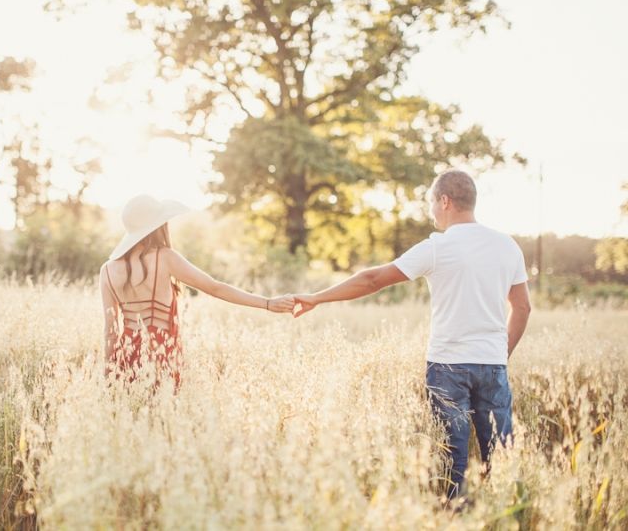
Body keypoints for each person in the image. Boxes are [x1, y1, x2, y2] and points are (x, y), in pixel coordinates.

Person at [292, 170, 532, 501]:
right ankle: (507, 517)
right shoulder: (507, 246)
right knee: (503, 458)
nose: (432, 210)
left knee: (453, 464)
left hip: (448, 368)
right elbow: (522, 308)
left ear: (445, 201)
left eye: (433, 202)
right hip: (493, 365)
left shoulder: (439, 247)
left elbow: (373, 279)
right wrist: (499, 354)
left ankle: (455, 519)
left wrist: (317, 297)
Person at [100, 194, 295, 388]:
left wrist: (109, 376)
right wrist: (268, 303)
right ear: (157, 226)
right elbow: (215, 288)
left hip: (125, 360)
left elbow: (111, 332)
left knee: (131, 415)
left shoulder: (107, 270)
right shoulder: (165, 258)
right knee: (166, 416)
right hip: (162, 355)